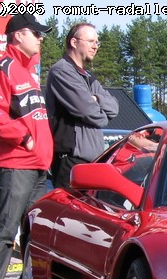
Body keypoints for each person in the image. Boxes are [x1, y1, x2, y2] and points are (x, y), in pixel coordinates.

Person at [0, 14, 53, 279]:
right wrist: (24, 139)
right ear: (18, 35)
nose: (41, 39)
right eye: (36, 33)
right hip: (15, 164)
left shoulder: (29, 73)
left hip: (37, 168)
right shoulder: (3, 68)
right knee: (5, 229)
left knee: (35, 232)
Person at [46, 22, 118, 189]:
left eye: (97, 42)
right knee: (70, 214)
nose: (95, 46)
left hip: (92, 162)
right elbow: (90, 112)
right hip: (70, 161)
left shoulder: (87, 76)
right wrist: (97, 106)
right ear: (74, 42)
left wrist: (95, 99)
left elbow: (114, 108)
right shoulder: (61, 71)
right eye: (91, 41)